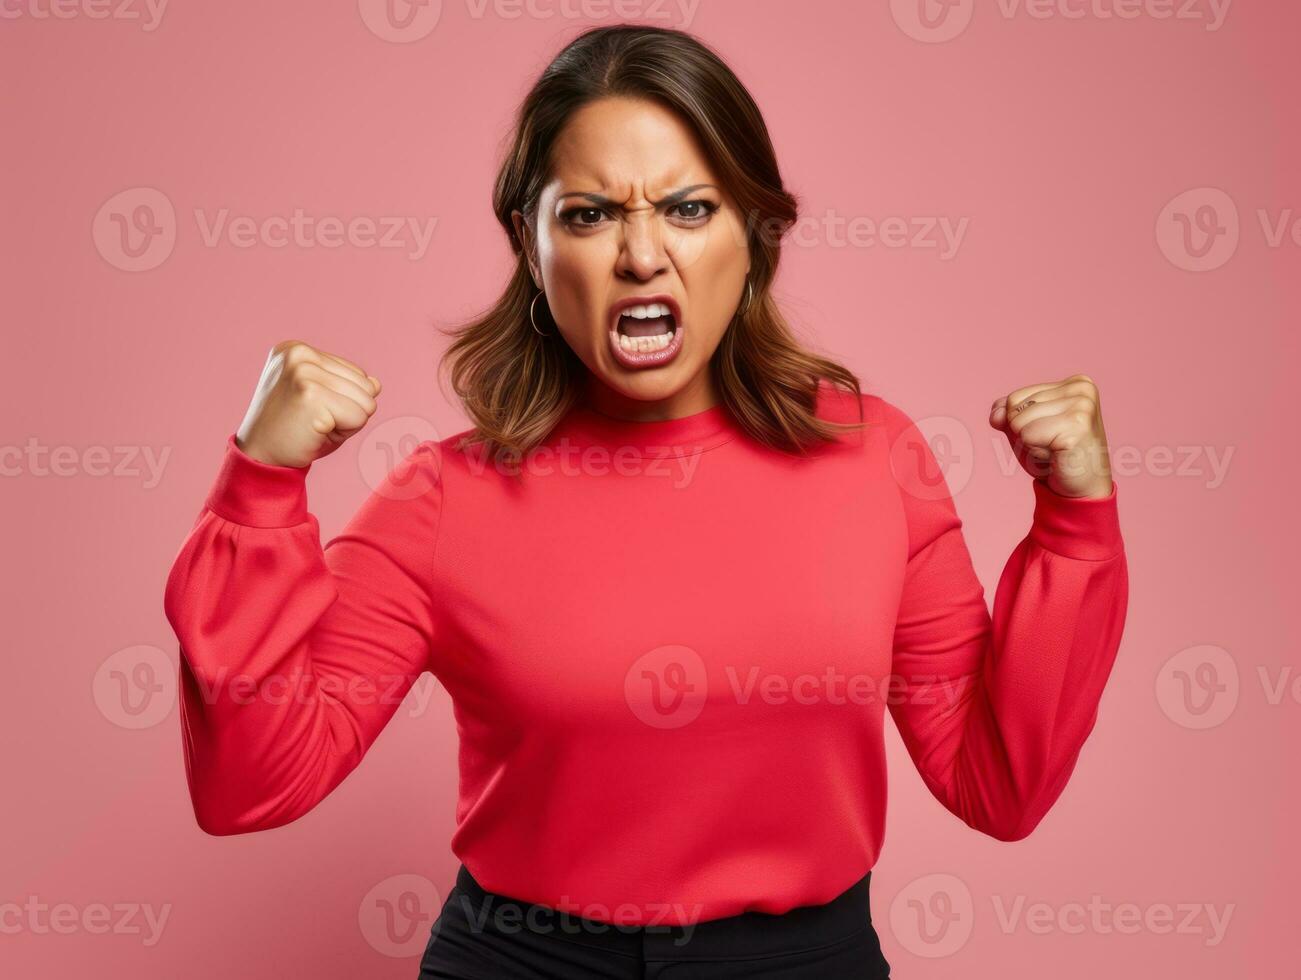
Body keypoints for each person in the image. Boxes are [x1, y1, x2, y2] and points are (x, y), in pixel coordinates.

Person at [162, 24, 1129, 979]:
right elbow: (250, 784)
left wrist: (1074, 526)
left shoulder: (876, 458)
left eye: (687, 209)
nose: (639, 255)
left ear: (754, 236)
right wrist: (259, 486)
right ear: (528, 244)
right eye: (587, 215)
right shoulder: (443, 499)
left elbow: (996, 785)